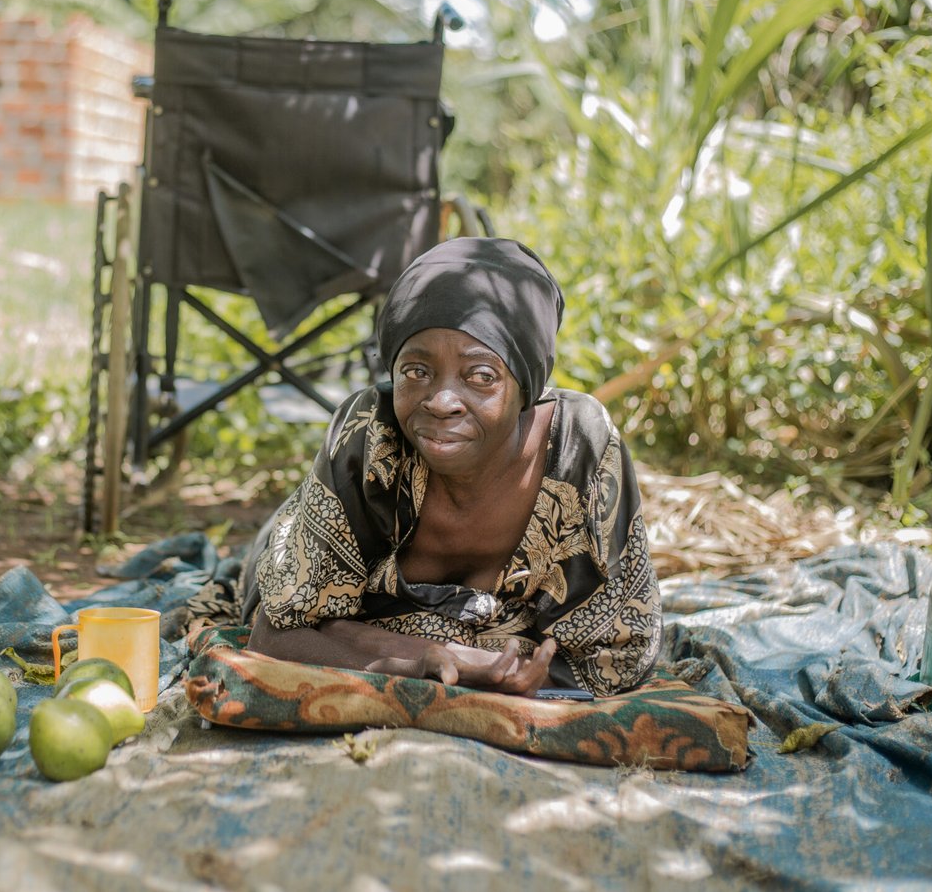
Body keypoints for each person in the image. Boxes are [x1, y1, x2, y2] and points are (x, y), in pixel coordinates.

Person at [241, 236, 661, 697]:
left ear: (526, 387)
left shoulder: (580, 450)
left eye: (481, 376)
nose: (441, 402)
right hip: (285, 543)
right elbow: (274, 632)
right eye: (416, 371)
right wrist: (426, 659)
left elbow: (616, 659)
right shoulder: (370, 436)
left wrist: (362, 640)